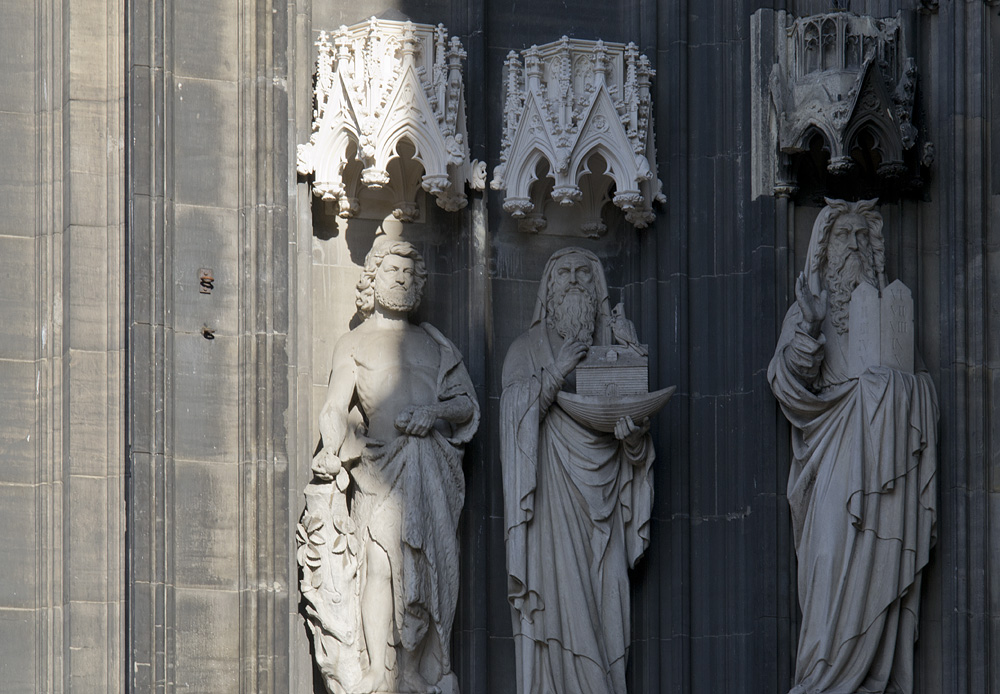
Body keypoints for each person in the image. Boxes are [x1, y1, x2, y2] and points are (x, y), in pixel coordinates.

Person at [768, 199, 938, 694]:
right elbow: (786, 383)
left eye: (864, 237)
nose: (855, 247)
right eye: (844, 236)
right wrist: (812, 326)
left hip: (885, 477)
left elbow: (923, 391)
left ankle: (872, 675)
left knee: (882, 571)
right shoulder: (806, 315)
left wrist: (896, 389)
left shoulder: (892, 319)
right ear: (823, 250)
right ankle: (824, 677)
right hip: (833, 464)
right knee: (827, 559)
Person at [313, 237, 479, 694]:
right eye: (393, 270)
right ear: (373, 277)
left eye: (410, 273)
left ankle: (410, 669)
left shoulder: (435, 344)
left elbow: (465, 405)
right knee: (381, 564)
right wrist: (333, 447)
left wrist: (435, 415)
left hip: (432, 470)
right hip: (380, 467)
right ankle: (378, 670)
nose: (402, 278)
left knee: (423, 571)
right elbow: (334, 408)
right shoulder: (355, 343)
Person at [500, 247, 654, 694]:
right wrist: (555, 374)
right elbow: (512, 417)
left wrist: (634, 441)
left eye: (583, 275)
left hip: (603, 509)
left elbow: (635, 454)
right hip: (550, 505)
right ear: (547, 291)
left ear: (596, 290)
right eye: (563, 274)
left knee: (607, 614)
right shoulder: (525, 350)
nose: (572, 281)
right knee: (557, 609)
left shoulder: (616, 352)